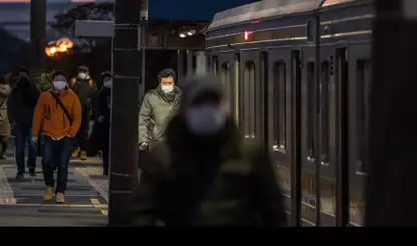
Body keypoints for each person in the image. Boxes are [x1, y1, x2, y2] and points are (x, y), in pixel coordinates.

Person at [130, 75, 286, 226]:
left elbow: (273, 211)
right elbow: (143, 211)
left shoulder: (249, 154)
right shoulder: (164, 157)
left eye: (213, 102)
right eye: (199, 103)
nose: (207, 109)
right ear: (184, 108)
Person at [32, 70, 82, 204]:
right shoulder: (45, 96)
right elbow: (38, 116)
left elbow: (77, 117)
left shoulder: (73, 97)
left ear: (65, 82)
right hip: (48, 134)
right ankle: (49, 185)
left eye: (62, 79)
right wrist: (35, 134)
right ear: (53, 81)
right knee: (47, 161)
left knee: (63, 164)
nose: (59, 81)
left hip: (66, 135)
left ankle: (60, 192)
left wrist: (72, 133)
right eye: (57, 79)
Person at [138, 68, 182, 153]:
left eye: (170, 83)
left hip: (176, 144)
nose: (167, 86)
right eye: (164, 83)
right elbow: (143, 119)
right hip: (156, 143)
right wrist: (143, 139)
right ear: (160, 82)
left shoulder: (181, 97)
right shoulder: (151, 97)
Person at [9, 66, 41, 179]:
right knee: (19, 148)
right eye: (20, 75)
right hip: (18, 123)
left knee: (32, 146)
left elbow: (40, 105)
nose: (22, 77)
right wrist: (11, 121)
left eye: (24, 74)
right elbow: (10, 106)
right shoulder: (14, 91)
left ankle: (31, 167)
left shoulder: (34, 90)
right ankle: (20, 170)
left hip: (32, 122)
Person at [69, 65, 97, 161]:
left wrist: (91, 107)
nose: (82, 73)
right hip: (74, 111)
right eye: (81, 71)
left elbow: (95, 96)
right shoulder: (73, 81)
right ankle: (75, 148)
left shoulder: (91, 83)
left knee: (84, 132)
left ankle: (84, 151)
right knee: (75, 131)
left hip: (86, 111)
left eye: (84, 71)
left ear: (87, 72)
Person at [90, 71, 112, 175]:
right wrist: (99, 116)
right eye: (105, 80)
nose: (108, 82)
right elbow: (96, 107)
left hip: (114, 125)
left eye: (109, 79)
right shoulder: (99, 94)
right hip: (104, 125)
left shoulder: (117, 93)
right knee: (105, 148)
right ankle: (106, 169)